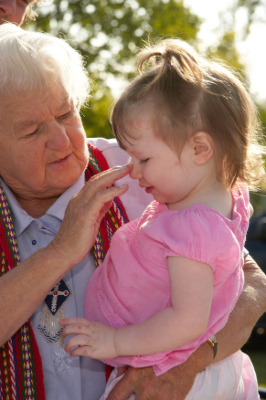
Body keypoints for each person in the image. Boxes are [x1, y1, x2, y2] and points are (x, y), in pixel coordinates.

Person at [0, 23, 265, 400]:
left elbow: (251, 283)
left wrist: (186, 365)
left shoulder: (151, 165)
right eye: (30, 131)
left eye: (65, 114)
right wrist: (61, 252)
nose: (62, 141)